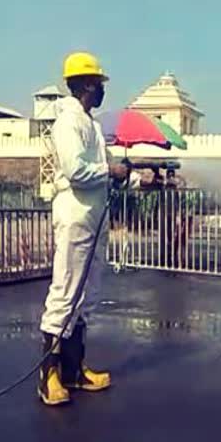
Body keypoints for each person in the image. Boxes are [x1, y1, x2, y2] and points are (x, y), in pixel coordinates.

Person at [38, 51, 146, 406]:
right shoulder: (67, 123)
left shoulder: (90, 125)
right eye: (99, 84)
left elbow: (104, 174)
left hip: (92, 215)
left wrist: (140, 180)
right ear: (86, 84)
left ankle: (73, 370)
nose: (102, 91)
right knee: (65, 291)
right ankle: (49, 376)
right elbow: (78, 172)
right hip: (75, 213)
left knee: (85, 296)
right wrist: (111, 171)